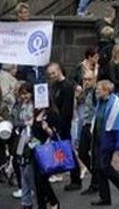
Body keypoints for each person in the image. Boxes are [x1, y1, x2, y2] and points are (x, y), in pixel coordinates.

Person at [91, 80, 119, 206]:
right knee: (99, 167)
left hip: (109, 139)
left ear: (106, 90)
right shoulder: (101, 101)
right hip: (100, 138)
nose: (96, 91)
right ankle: (105, 198)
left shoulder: (115, 104)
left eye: (99, 89)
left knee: (104, 166)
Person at [45, 62, 83, 192]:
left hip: (63, 123)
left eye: (53, 73)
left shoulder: (66, 86)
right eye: (50, 74)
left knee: (67, 150)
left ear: (59, 70)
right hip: (56, 122)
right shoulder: (54, 86)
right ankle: (73, 175)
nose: (52, 76)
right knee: (65, 150)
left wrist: (60, 125)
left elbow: (67, 109)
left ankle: (76, 178)